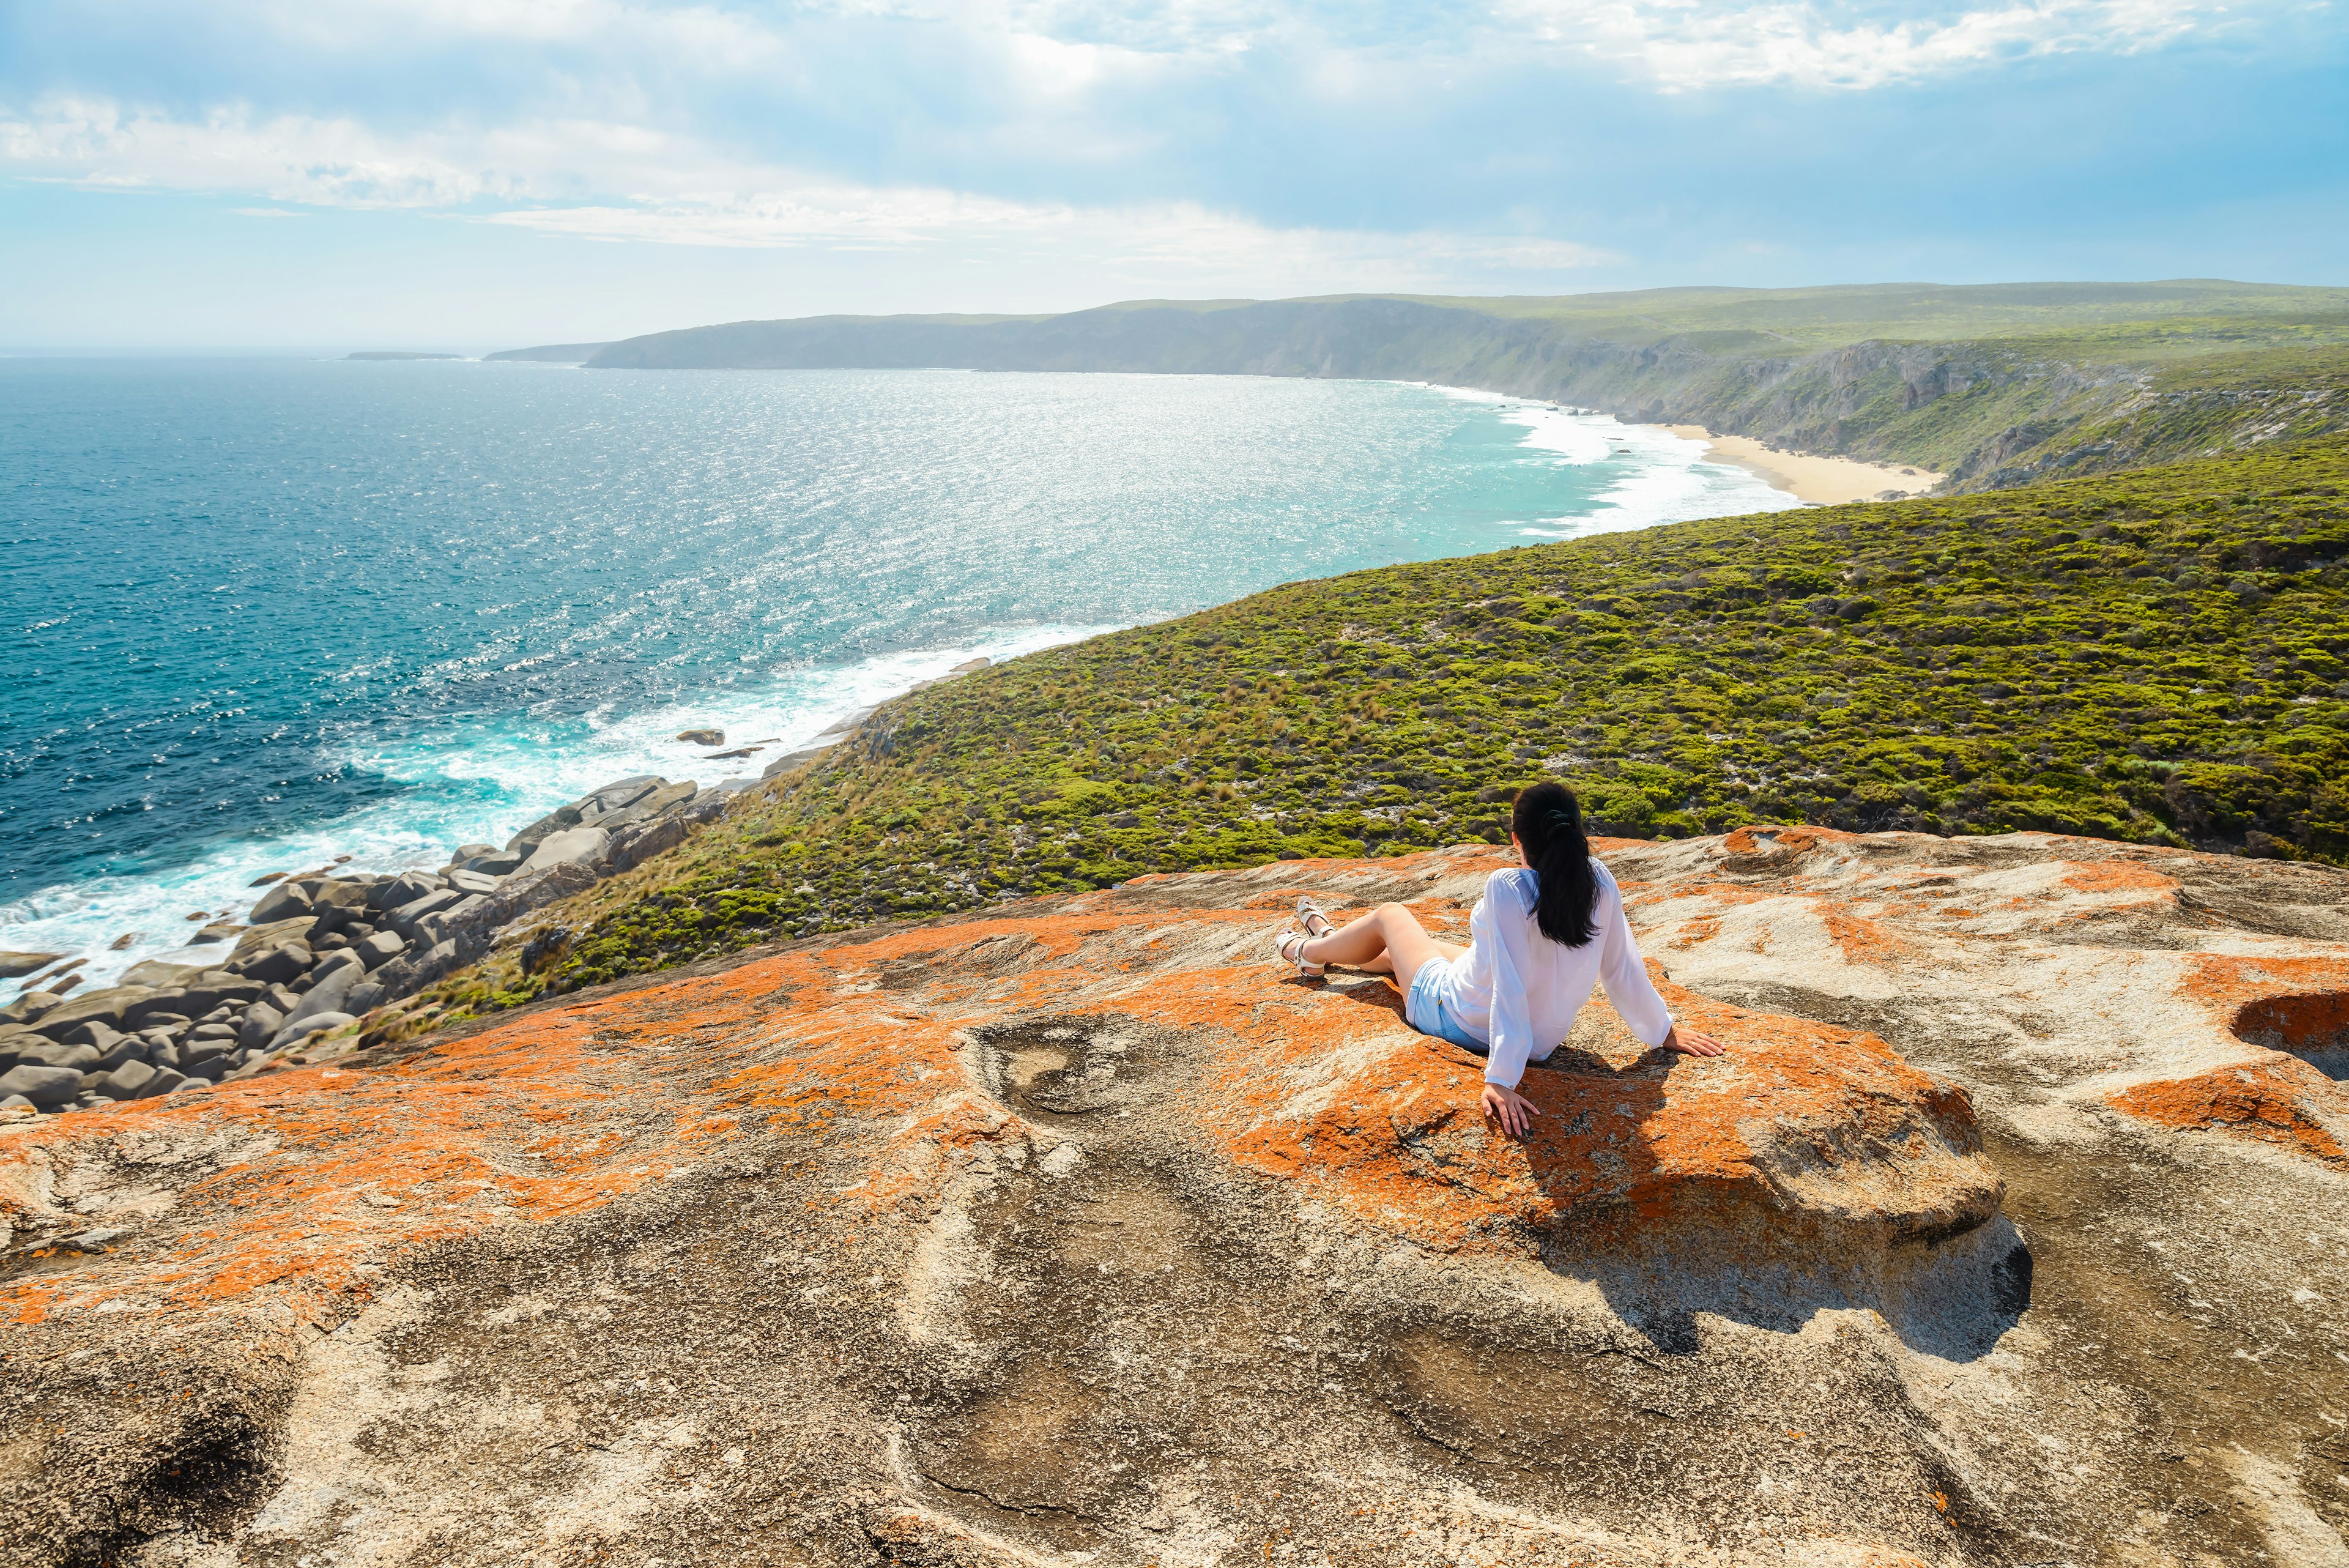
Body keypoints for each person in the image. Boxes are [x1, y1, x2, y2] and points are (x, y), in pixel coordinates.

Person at [1274, 781, 1723, 1135]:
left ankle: (1310, 953)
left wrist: (1502, 1078)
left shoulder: (1507, 887)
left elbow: (1509, 984)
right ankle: (1334, 941)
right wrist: (1661, 1030)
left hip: (1459, 1017)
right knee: (1411, 954)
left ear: (1517, 840)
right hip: (1541, 1041)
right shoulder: (1599, 882)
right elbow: (1621, 967)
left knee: (1392, 916)